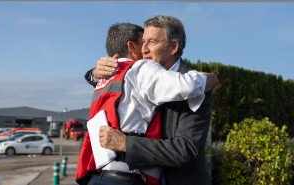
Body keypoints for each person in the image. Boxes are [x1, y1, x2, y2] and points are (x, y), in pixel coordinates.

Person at [79, 19, 217, 185]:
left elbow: (185, 151)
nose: (144, 49)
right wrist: (94, 73)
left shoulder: (195, 86)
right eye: (143, 41)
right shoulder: (138, 73)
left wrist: (126, 144)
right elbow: (115, 84)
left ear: (173, 47)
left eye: (152, 41)